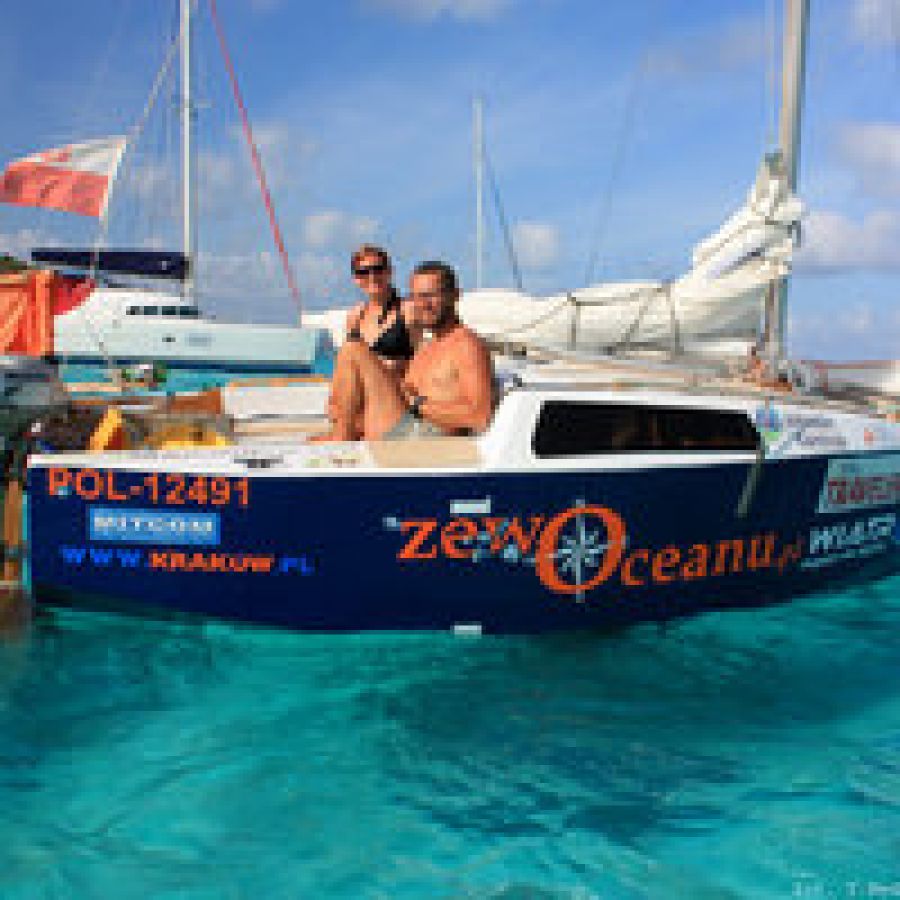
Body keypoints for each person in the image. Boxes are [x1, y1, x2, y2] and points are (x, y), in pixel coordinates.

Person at [315, 261, 494, 442]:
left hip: (426, 436)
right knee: (345, 402)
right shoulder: (427, 348)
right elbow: (407, 394)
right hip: (405, 425)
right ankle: (343, 430)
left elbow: (479, 416)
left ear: (455, 295)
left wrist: (416, 404)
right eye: (415, 297)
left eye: (430, 295)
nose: (422, 304)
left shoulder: (466, 345)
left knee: (353, 348)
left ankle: (341, 436)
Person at [344, 245, 419, 373]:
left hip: (397, 382)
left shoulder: (407, 310)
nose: (372, 276)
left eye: (378, 269)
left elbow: (421, 358)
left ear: (389, 272)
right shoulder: (356, 317)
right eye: (363, 272)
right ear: (356, 279)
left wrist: (387, 364)